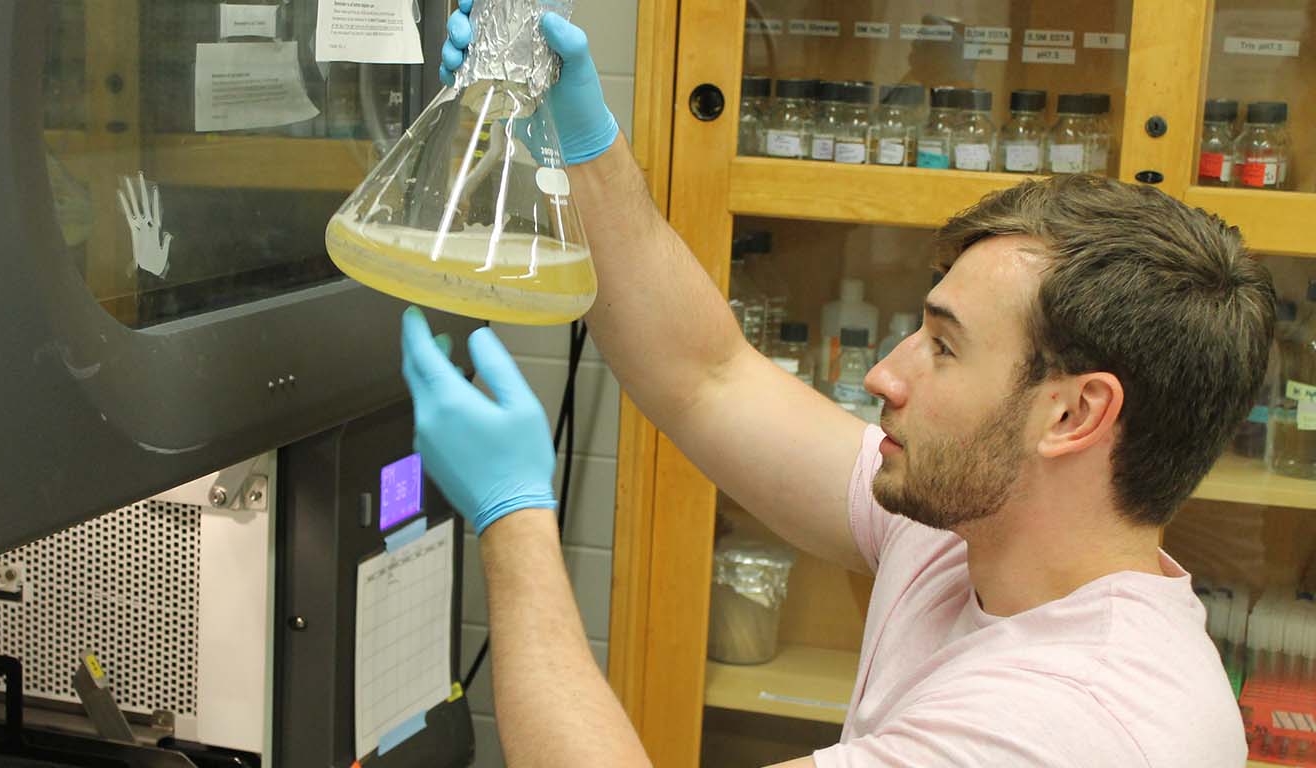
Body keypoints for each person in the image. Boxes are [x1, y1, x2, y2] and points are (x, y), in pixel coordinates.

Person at [399, 4, 1274, 766]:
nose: (882, 374)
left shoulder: (1071, 722)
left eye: (943, 348)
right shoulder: (969, 529)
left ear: (1075, 413)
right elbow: (710, 377)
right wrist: (580, 145)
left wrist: (513, 517)